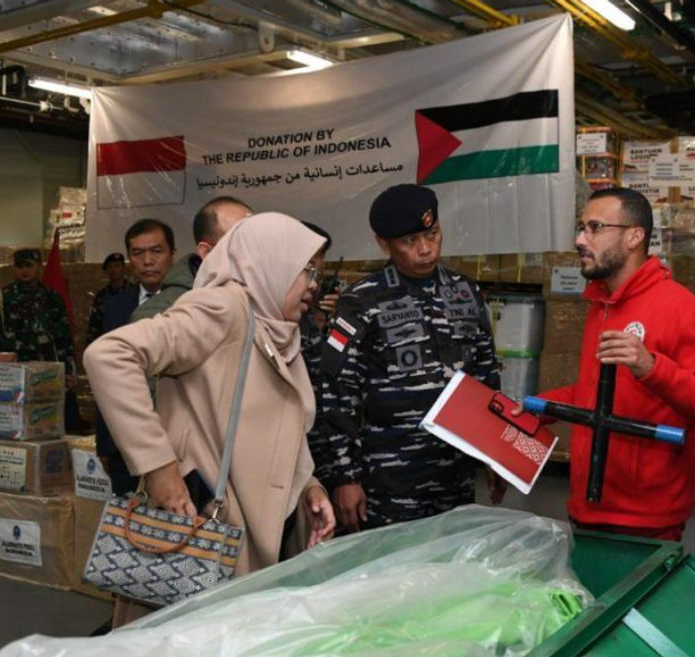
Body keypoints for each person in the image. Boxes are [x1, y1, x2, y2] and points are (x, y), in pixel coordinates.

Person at [84, 213, 336, 624]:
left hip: (257, 527)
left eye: (317, 274)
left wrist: (309, 486)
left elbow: (276, 424)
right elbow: (109, 355)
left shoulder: (276, 325)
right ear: (269, 261)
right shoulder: (223, 306)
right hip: (208, 532)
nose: (312, 284)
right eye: (307, 270)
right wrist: (158, 465)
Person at [519, 187, 695, 541]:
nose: (580, 239)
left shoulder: (681, 308)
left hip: (645, 523)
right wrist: (536, 410)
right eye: (580, 227)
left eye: (594, 227)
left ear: (634, 237)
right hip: (586, 507)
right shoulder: (600, 305)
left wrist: (652, 367)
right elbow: (599, 394)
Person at [321, 184, 501, 531]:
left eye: (432, 234)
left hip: (455, 478)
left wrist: (495, 456)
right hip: (389, 480)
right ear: (383, 244)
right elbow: (337, 393)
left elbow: (486, 377)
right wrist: (346, 477)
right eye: (410, 241)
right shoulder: (362, 301)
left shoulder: (465, 291)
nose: (426, 250)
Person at [94, 219, 177, 495]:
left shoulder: (192, 304)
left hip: (177, 442)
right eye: (138, 253)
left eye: (156, 251)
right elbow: (105, 377)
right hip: (126, 445)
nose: (148, 261)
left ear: (172, 254)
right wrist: (105, 443)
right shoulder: (117, 306)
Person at [131, 196, 251, 322]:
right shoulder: (161, 315)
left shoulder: (261, 294)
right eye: (241, 242)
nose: (148, 261)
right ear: (206, 252)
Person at [0, 248, 75, 377]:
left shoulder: (51, 297)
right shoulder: (3, 297)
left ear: (39, 266)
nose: (24, 271)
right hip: (13, 368)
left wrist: (68, 369)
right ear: (14, 269)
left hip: (47, 368)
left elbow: (64, 336)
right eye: (20, 266)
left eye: (29, 266)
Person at [297, 222, 340, 488]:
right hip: (296, 441)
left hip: (329, 443)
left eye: (321, 255)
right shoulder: (278, 306)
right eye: (311, 255)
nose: (318, 263)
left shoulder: (328, 299)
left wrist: (334, 320)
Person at [86, 252, 133, 344]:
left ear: (123, 268)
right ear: (106, 270)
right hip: (108, 343)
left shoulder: (134, 292)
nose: (113, 270)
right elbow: (94, 325)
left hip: (130, 343)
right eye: (110, 267)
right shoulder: (101, 296)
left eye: (117, 266)